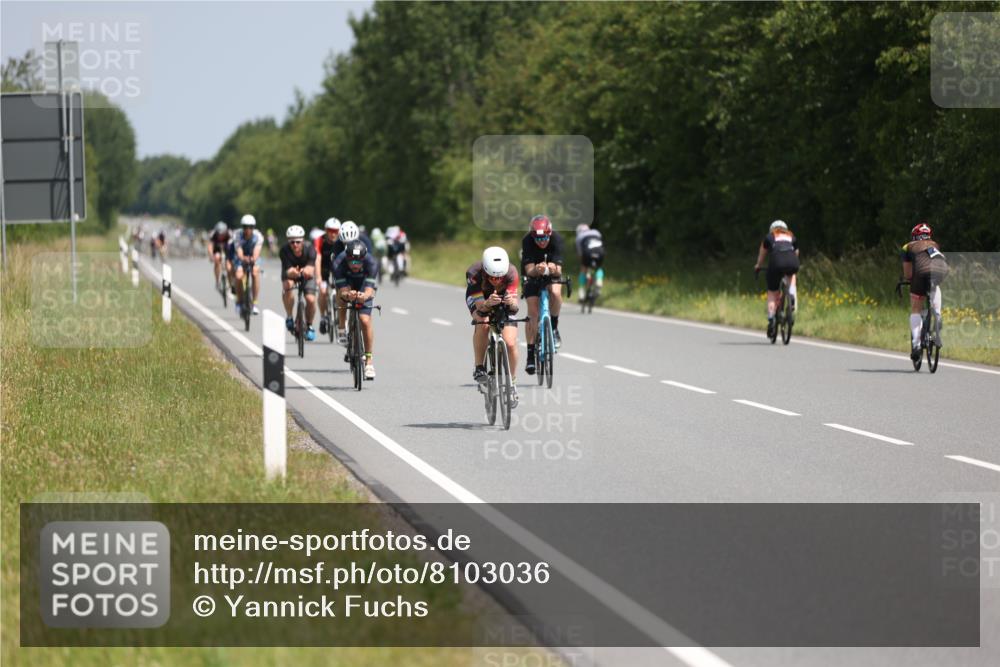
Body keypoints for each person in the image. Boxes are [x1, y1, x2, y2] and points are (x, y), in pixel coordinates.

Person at [466, 246, 521, 407]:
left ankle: (511, 383)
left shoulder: (511, 272)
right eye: (492, 277)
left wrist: (511, 303)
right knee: (482, 323)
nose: (496, 280)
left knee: (510, 343)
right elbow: (479, 308)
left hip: (503, 298)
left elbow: (515, 308)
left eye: (499, 278)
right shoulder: (474, 273)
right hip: (480, 298)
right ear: (485, 271)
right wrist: (487, 304)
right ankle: (479, 367)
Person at [521, 214, 565, 374]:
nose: (541, 242)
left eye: (544, 238)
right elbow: (529, 269)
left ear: (550, 233)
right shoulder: (527, 241)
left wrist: (553, 268)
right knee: (532, 312)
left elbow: (559, 269)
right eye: (537, 239)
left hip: (552, 273)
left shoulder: (557, 239)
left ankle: (553, 327)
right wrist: (537, 269)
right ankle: (530, 356)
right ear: (532, 236)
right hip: (532, 274)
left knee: (555, 292)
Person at [900, 222, 948, 361]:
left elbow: (908, 274)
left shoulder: (907, 246)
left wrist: (911, 281)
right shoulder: (935, 244)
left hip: (921, 272)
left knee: (916, 307)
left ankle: (916, 345)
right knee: (935, 285)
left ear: (914, 235)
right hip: (942, 268)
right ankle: (937, 314)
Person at [334, 240, 380, 380]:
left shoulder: (372, 263)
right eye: (352, 262)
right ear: (347, 258)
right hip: (347, 284)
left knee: (364, 320)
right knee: (343, 298)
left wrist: (363, 296)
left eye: (358, 262)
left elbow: (369, 291)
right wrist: (348, 295)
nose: (355, 265)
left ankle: (369, 361)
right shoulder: (338, 263)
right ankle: (343, 327)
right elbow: (342, 290)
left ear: (364, 258)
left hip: (363, 286)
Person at [754, 220, 800, 339]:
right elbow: (796, 252)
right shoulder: (791, 235)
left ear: (772, 229)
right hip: (792, 262)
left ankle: (771, 319)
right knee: (792, 276)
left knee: (772, 292)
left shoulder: (769, 237)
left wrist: (758, 265)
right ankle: (791, 297)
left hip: (776, 263)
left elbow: (762, 254)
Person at [280, 225, 318, 341]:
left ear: (302, 241)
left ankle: (310, 325)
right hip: (291, 273)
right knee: (288, 285)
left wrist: (305, 271)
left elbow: (311, 269)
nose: (295, 244)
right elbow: (288, 270)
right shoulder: (284, 250)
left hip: (307, 274)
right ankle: (290, 316)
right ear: (288, 242)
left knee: (311, 299)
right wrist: (295, 272)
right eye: (292, 242)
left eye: (298, 241)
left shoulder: (310, 249)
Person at [314, 217, 342, 335]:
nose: (333, 234)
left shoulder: (341, 241)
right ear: (326, 230)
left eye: (336, 231)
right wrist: (319, 277)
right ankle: (323, 317)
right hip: (324, 269)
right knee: (323, 290)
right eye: (330, 231)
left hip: (338, 269)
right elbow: (317, 258)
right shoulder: (319, 240)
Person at [233, 214, 264, 316]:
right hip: (241, 257)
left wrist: (253, 259)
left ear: (253, 227)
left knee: (255, 272)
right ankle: (239, 301)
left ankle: (254, 303)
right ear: (242, 227)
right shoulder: (237, 235)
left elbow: (257, 250)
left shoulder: (258, 236)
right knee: (238, 276)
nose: (248, 229)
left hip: (254, 256)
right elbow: (239, 250)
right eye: (245, 227)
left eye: (250, 227)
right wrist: (243, 258)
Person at [575, 223, 605, 302]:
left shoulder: (579, 237)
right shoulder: (596, 232)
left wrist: (583, 263)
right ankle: (599, 281)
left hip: (588, 253)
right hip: (600, 252)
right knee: (598, 268)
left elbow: (580, 254)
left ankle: (581, 292)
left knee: (583, 269)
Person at [207, 221, 231, 288]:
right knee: (217, 258)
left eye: (222, 234)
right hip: (217, 250)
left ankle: (230, 282)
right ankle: (217, 281)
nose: (220, 236)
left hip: (227, 250)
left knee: (229, 266)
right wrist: (211, 255)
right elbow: (210, 246)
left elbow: (235, 246)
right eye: (219, 234)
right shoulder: (213, 234)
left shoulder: (230, 234)